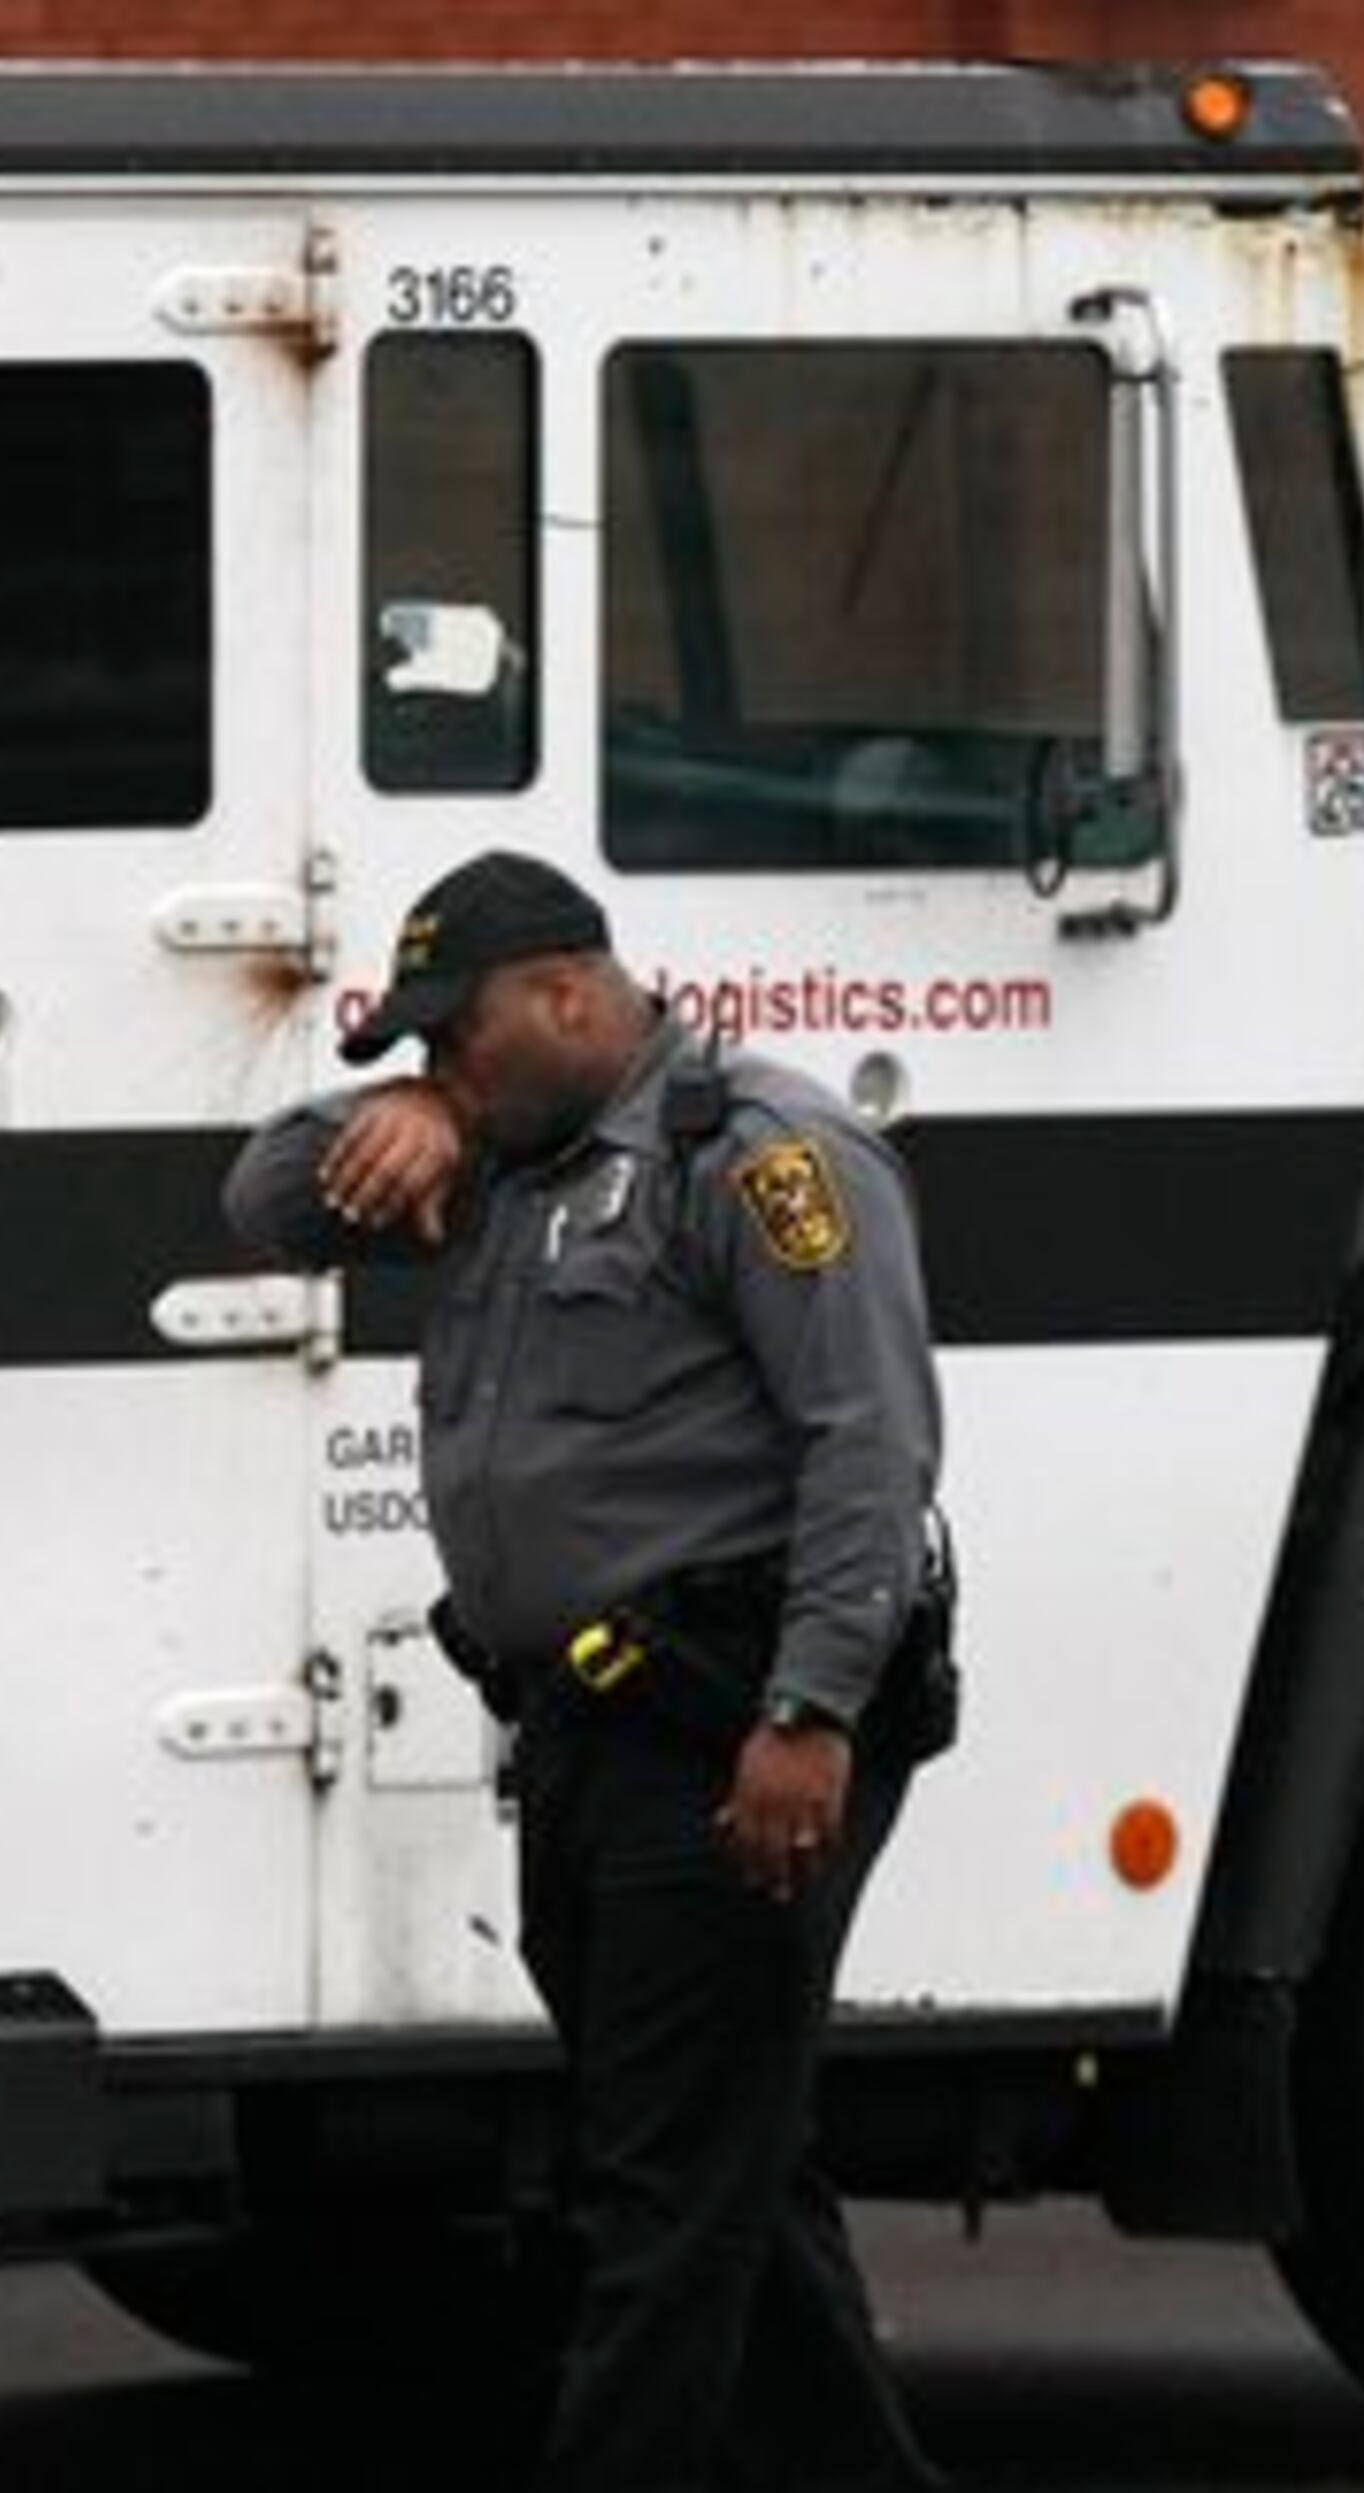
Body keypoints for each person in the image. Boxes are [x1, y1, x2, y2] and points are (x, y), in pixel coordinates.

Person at [223, 850, 952, 2493]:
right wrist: (402, 1114)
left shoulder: (757, 1158)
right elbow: (257, 1207)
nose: (441, 1070)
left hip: (732, 1725)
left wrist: (810, 1711)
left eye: (456, 1039)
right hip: (583, 1729)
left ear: (566, 994)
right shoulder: (497, 1154)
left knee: (663, 2194)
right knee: (725, 2174)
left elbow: (869, 1447)